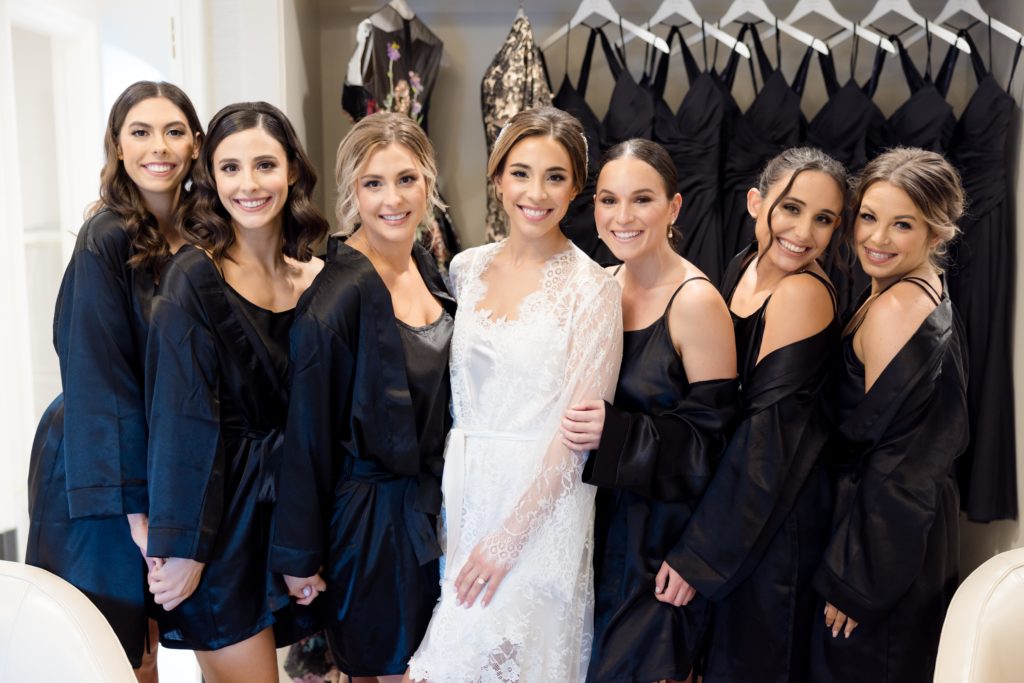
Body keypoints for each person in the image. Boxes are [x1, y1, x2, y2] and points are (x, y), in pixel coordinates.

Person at [406, 106, 623, 682]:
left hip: (541, 506)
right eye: (521, 172)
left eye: (555, 176)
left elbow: (577, 437)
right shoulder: (463, 269)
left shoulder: (593, 289)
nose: (537, 192)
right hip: (466, 489)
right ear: (498, 177)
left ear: (576, 186)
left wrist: (509, 538)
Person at [268, 111, 456, 683]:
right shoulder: (338, 296)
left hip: (430, 513)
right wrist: (299, 558)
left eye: (406, 179)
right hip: (370, 528)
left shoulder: (429, 268)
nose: (392, 199)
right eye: (373, 184)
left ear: (429, 182)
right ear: (353, 191)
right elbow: (305, 437)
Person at [144, 101, 328, 683]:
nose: (248, 185)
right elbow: (180, 419)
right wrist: (184, 547)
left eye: (265, 165)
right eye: (229, 168)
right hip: (220, 524)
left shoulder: (319, 278)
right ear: (210, 177)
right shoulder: (193, 276)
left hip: (291, 518)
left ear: (292, 170)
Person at [26, 80, 203, 683]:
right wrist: (136, 513)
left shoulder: (203, 235)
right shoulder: (105, 236)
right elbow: (98, 374)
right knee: (116, 649)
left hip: (161, 453)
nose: (160, 147)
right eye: (141, 132)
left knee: (155, 637)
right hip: (96, 461)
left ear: (196, 145)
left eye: (174, 131)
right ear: (119, 146)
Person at [662, 147, 848, 682]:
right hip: (742, 504)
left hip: (776, 519)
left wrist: (699, 554)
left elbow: (766, 441)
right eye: (791, 209)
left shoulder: (802, 294)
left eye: (823, 219)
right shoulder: (744, 266)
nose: (804, 231)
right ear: (754, 203)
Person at [559, 138, 740, 683]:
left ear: (674, 207)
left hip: (659, 546)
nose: (623, 216)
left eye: (642, 200)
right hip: (594, 534)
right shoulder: (599, 288)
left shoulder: (697, 303)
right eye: (608, 200)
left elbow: (716, 443)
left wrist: (694, 558)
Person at [809, 148, 968, 683]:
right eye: (869, 218)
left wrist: (859, 580)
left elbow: (903, 465)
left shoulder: (898, 309)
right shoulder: (911, 289)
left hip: (884, 542)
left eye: (902, 224)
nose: (876, 239)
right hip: (897, 534)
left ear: (937, 233)